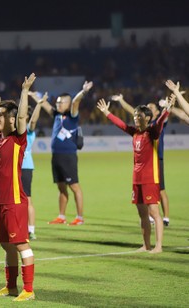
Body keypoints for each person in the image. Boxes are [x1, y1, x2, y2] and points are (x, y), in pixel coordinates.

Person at [0, 73, 36, 301]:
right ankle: (11, 287)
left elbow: (21, 115)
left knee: (21, 244)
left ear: (12, 120)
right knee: (6, 245)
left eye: (2, 115)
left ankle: (28, 290)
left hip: (14, 201)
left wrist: (24, 91)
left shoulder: (18, 138)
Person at [96, 97, 172, 253]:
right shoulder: (135, 132)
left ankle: (158, 246)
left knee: (154, 213)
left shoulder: (152, 132)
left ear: (148, 118)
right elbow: (122, 125)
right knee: (142, 213)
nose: (136, 118)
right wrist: (107, 113)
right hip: (136, 179)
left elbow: (160, 122)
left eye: (139, 116)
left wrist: (167, 109)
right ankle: (146, 245)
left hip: (150, 179)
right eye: (135, 115)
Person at [112, 94, 170, 226]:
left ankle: (165, 217)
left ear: (154, 113)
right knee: (148, 198)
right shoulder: (138, 129)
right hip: (141, 169)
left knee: (161, 189)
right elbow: (128, 118)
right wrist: (121, 101)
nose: (147, 108)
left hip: (156, 161)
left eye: (150, 107)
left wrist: (168, 107)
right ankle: (149, 226)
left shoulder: (155, 127)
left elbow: (163, 119)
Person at [43, 81, 93, 225]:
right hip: (56, 156)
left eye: (61, 103)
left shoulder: (72, 116)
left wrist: (83, 92)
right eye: (57, 102)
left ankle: (80, 217)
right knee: (61, 186)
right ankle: (62, 216)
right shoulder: (57, 115)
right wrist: (33, 96)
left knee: (74, 186)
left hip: (68, 157)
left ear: (67, 103)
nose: (58, 105)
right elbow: (46, 107)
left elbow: (76, 101)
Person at [23, 91, 48, 239]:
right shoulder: (15, 129)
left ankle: (31, 230)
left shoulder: (29, 130)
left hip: (25, 167)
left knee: (27, 199)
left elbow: (33, 122)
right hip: (12, 167)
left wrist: (38, 105)